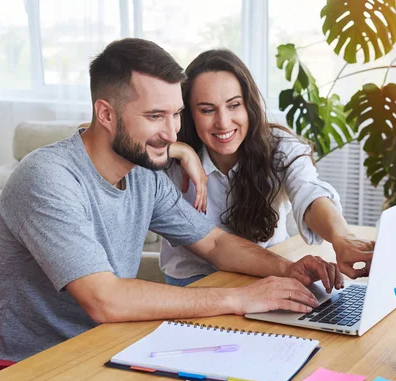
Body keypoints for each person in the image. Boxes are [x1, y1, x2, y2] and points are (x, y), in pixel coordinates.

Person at [0, 38, 343, 363]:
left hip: (102, 346)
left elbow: (213, 242)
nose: (172, 132)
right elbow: (105, 299)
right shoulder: (47, 178)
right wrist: (240, 297)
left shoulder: (143, 173)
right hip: (26, 368)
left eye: (176, 114)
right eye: (155, 116)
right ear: (105, 114)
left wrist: (286, 270)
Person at [160, 49, 375, 287]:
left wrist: (342, 238)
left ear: (248, 105)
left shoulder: (279, 147)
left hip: (270, 274)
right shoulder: (170, 160)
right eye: (207, 110)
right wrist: (178, 150)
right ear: (188, 114)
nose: (223, 122)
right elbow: (123, 147)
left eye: (233, 105)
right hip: (195, 284)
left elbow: (310, 194)